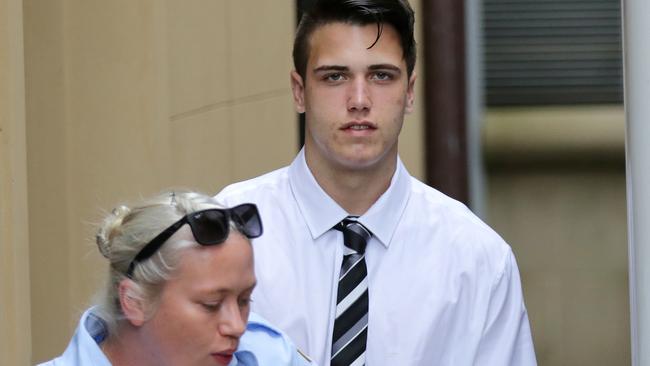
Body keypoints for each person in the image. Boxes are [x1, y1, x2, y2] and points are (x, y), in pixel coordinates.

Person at [216, 0, 537, 365]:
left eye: (381, 75)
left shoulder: (477, 260)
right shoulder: (227, 231)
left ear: (410, 91)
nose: (359, 100)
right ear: (299, 91)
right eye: (334, 76)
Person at [40, 191, 315, 366]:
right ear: (133, 302)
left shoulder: (266, 354)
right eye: (211, 304)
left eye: (244, 300)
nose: (237, 326)